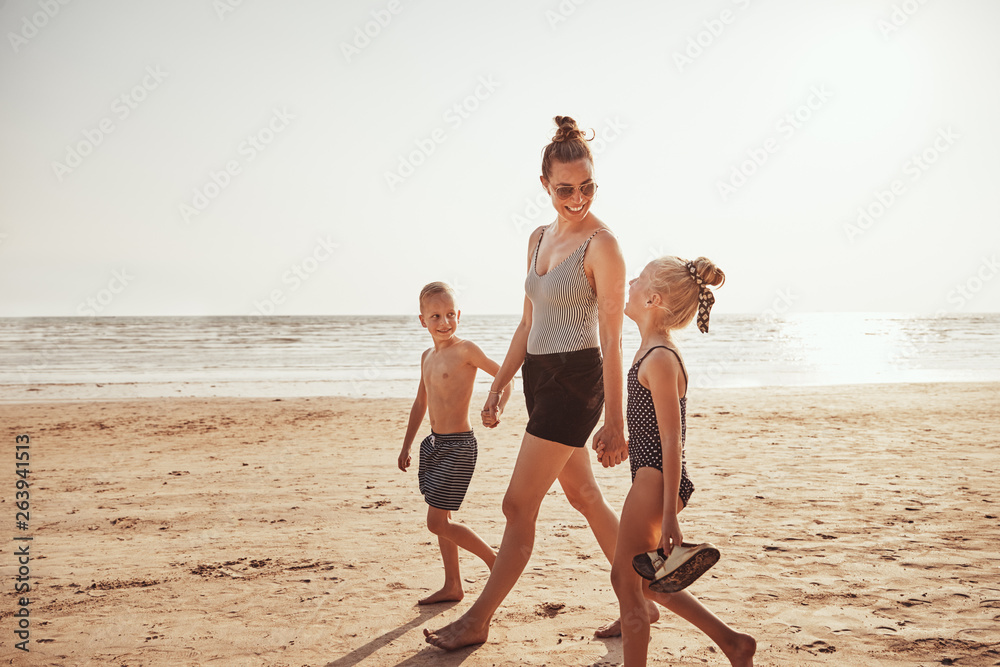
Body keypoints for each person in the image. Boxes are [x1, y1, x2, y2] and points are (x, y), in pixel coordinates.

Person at [425, 116, 638, 650]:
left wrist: (616, 419)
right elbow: (527, 322)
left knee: (517, 506)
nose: (577, 197)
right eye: (565, 188)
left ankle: (477, 620)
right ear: (544, 184)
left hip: (577, 379)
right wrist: (501, 383)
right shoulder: (538, 238)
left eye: (586, 186)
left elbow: (612, 339)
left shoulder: (603, 246)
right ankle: (639, 603)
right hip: (541, 377)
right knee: (586, 495)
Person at [607, 256, 756, 666]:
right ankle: (733, 644)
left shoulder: (659, 357)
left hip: (656, 482)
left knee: (627, 583)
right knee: (652, 584)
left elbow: (672, 441)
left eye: (637, 279)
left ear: (653, 299)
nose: (630, 282)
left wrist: (670, 514)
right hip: (650, 478)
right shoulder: (652, 349)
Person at [398, 281, 512, 605]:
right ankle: (453, 585)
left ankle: (495, 562)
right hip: (435, 445)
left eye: (450, 314)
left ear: (458, 314)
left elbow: (506, 379)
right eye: (435, 316)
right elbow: (421, 403)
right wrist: (406, 445)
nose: (444, 322)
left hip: (460, 446)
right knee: (442, 520)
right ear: (422, 320)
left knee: (435, 522)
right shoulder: (426, 357)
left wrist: (497, 408)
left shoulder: (466, 350)